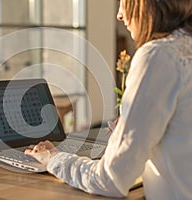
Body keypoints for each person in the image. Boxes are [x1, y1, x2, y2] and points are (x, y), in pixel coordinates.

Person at [25, 0, 192, 199]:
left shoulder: (158, 55)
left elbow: (110, 180)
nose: (120, 15)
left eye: (124, 2)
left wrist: (53, 158)